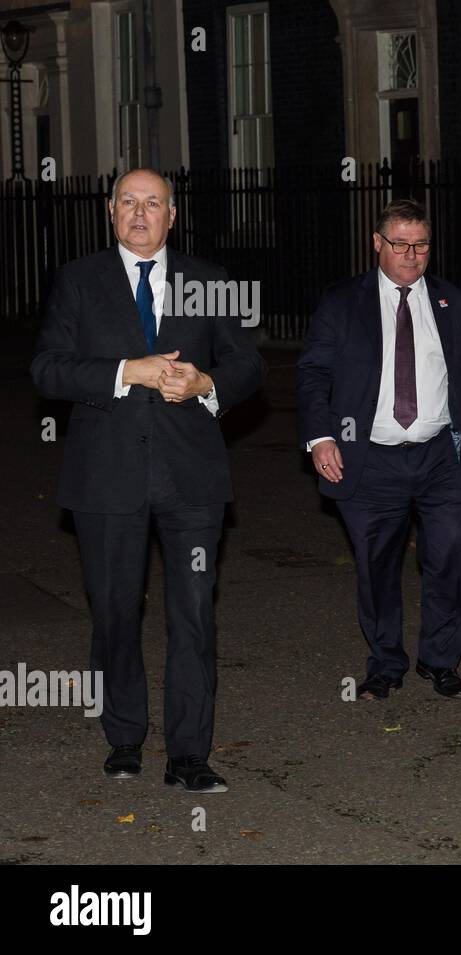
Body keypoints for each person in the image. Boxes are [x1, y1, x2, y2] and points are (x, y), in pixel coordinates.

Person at [31, 167, 266, 792]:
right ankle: (124, 737)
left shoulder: (208, 282)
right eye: (128, 203)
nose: (140, 214)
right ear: (111, 212)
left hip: (191, 478)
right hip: (106, 478)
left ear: (171, 214)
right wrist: (123, 372)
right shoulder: (79, 282)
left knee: (193, 614)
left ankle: (188, 754)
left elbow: (248, 361)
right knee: (114, 612)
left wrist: (205, 383)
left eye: (152, 203)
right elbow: (48, 369)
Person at [297, 199, 461, 702]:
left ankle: (441, 658)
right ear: (377, 244)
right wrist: (321, 437)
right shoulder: (343, 302)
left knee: (451, 553)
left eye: (421, 244)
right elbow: (314, 373)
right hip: (371, 457)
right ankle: (385, 662)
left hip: (441, 454)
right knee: (376, 563)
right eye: (400, 244)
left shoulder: (453, 302)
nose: (412, 254)